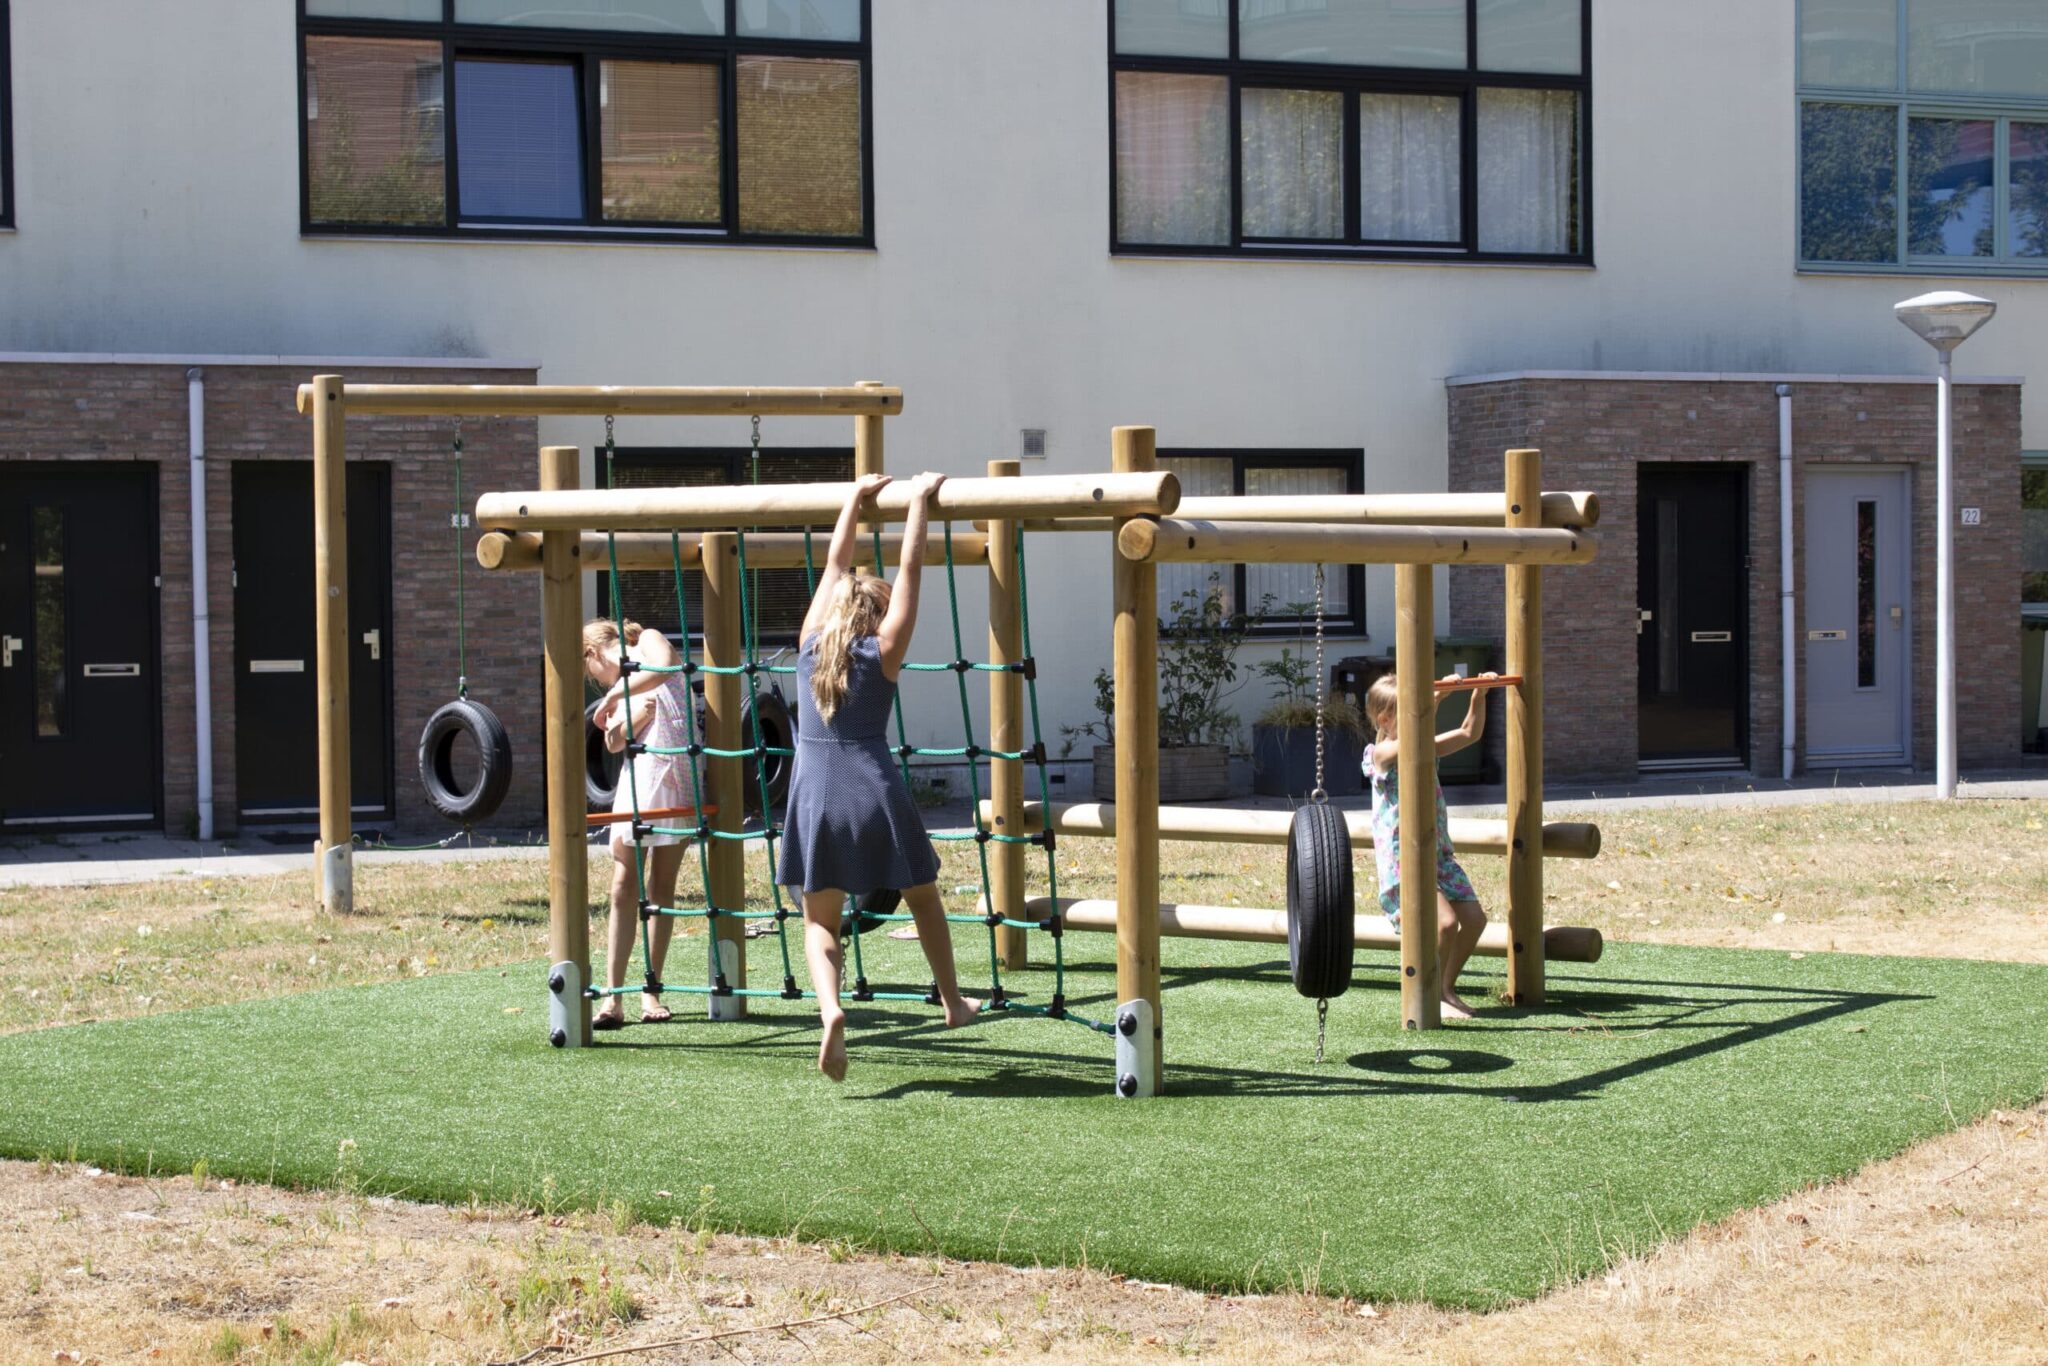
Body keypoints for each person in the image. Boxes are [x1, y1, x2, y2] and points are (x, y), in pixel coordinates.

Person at [779, 472, 981, 1081]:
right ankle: (951, 1002)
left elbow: (836, 561)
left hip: (813, 791)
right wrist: (919, 502)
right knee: (922, 898)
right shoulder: (885, 648)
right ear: (877, 613)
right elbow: (913, 566)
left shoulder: (809, 643)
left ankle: (832, 1010)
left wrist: (852, 500)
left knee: (819, 919)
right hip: (872, 787)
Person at [1361, 671, 1505, 1020]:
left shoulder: (1422, 743)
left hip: (1438, 855)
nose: (1422, 715)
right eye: (1415, 709)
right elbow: (1407, 742)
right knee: (1443, 924)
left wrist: (1479, 695)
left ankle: (1444, 988)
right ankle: (1428, 995)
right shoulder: (1379, 755)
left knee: (1474, 920)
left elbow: (1470, 733)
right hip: (1405, 860)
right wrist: (1435, 700)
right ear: (1385, 719)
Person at [585, 617, 693, 1029]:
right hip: (637, 783)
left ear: (592, 653)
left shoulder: (647, 644)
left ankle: (652, 989)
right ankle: (613, 996)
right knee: (622, 886)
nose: (595, 680)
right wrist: (628, 718)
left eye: (590, 671)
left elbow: (664, 667)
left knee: (661, 887)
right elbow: (613, 741)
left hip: (673, 774)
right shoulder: (626, 691)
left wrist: (615, 693)